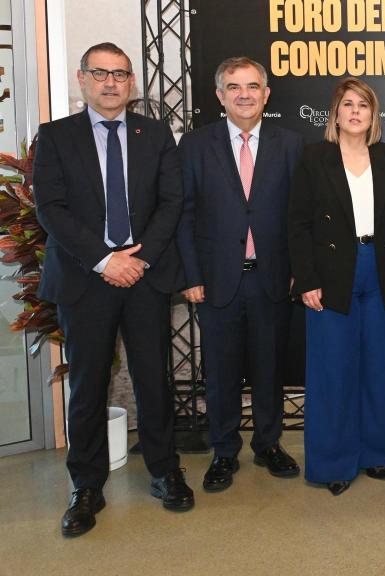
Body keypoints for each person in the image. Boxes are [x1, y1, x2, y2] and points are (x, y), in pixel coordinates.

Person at [34, 42, 192, 537]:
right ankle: (85, 485)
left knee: (154, 379)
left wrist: (137, 260)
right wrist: (106, 260)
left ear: (131, 84)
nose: (110, 82)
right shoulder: (56, 136)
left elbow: (171, 202)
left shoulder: (156, 134)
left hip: (143, 277)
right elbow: (51, 209)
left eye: (120, 74)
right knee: (87, 385)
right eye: (99, 73)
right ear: (82, 80)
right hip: (87, 279)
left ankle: (165, 471)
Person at [176, 56, 304, 491]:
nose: (245, 94)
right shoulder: (195, 146)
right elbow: (184, 215)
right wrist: (191, 276)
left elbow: (299, 217)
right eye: (234, 87)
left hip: (272, 278)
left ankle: (269, 444)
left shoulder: (291, 144)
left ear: (266, 94)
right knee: (222, 371)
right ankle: (224, 450)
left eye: (253, 86)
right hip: (216, 280)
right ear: (219, 95)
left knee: (270, 369)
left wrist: (297, 272)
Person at [289, 77, 385, 495]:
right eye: (348, 104)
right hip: (331, 275)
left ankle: (378, 452)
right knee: (333, 370)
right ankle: (334, 463)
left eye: (363, 104)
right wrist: (306, 279)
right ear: (336, 114)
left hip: (381, 269)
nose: (356, 111)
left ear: (373, 114)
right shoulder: (314, 157)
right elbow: (299, 225)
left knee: (381, 368)